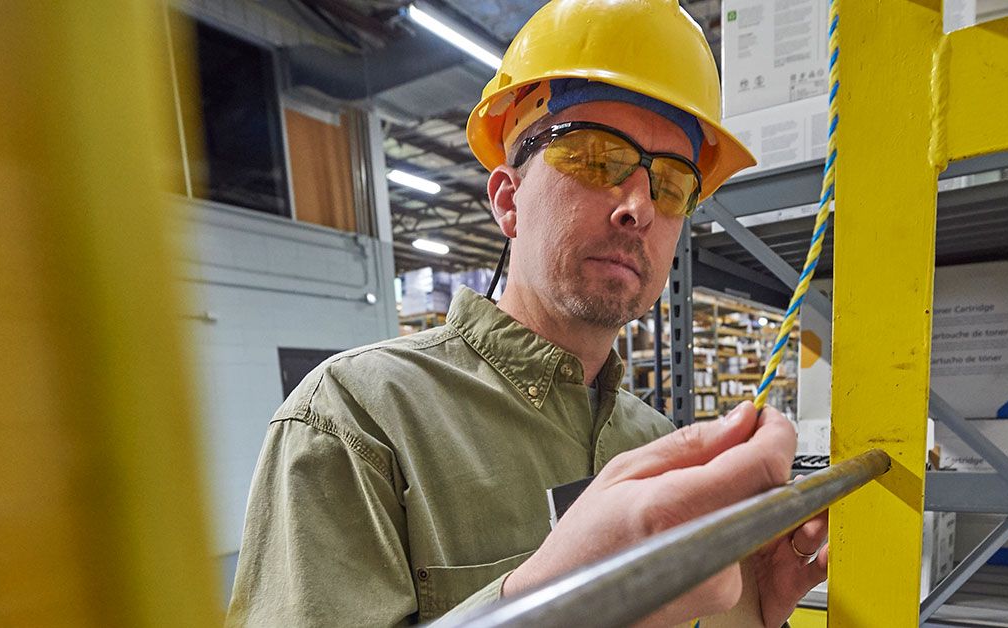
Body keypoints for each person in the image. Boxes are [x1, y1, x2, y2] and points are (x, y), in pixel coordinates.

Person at [226, 1, 828, 626]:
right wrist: (542, 604)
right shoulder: (356, 418)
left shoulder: (654, 441)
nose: (638, 207)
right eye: (596, 158)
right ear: (508, 200)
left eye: (671, 184)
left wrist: (750, 608)